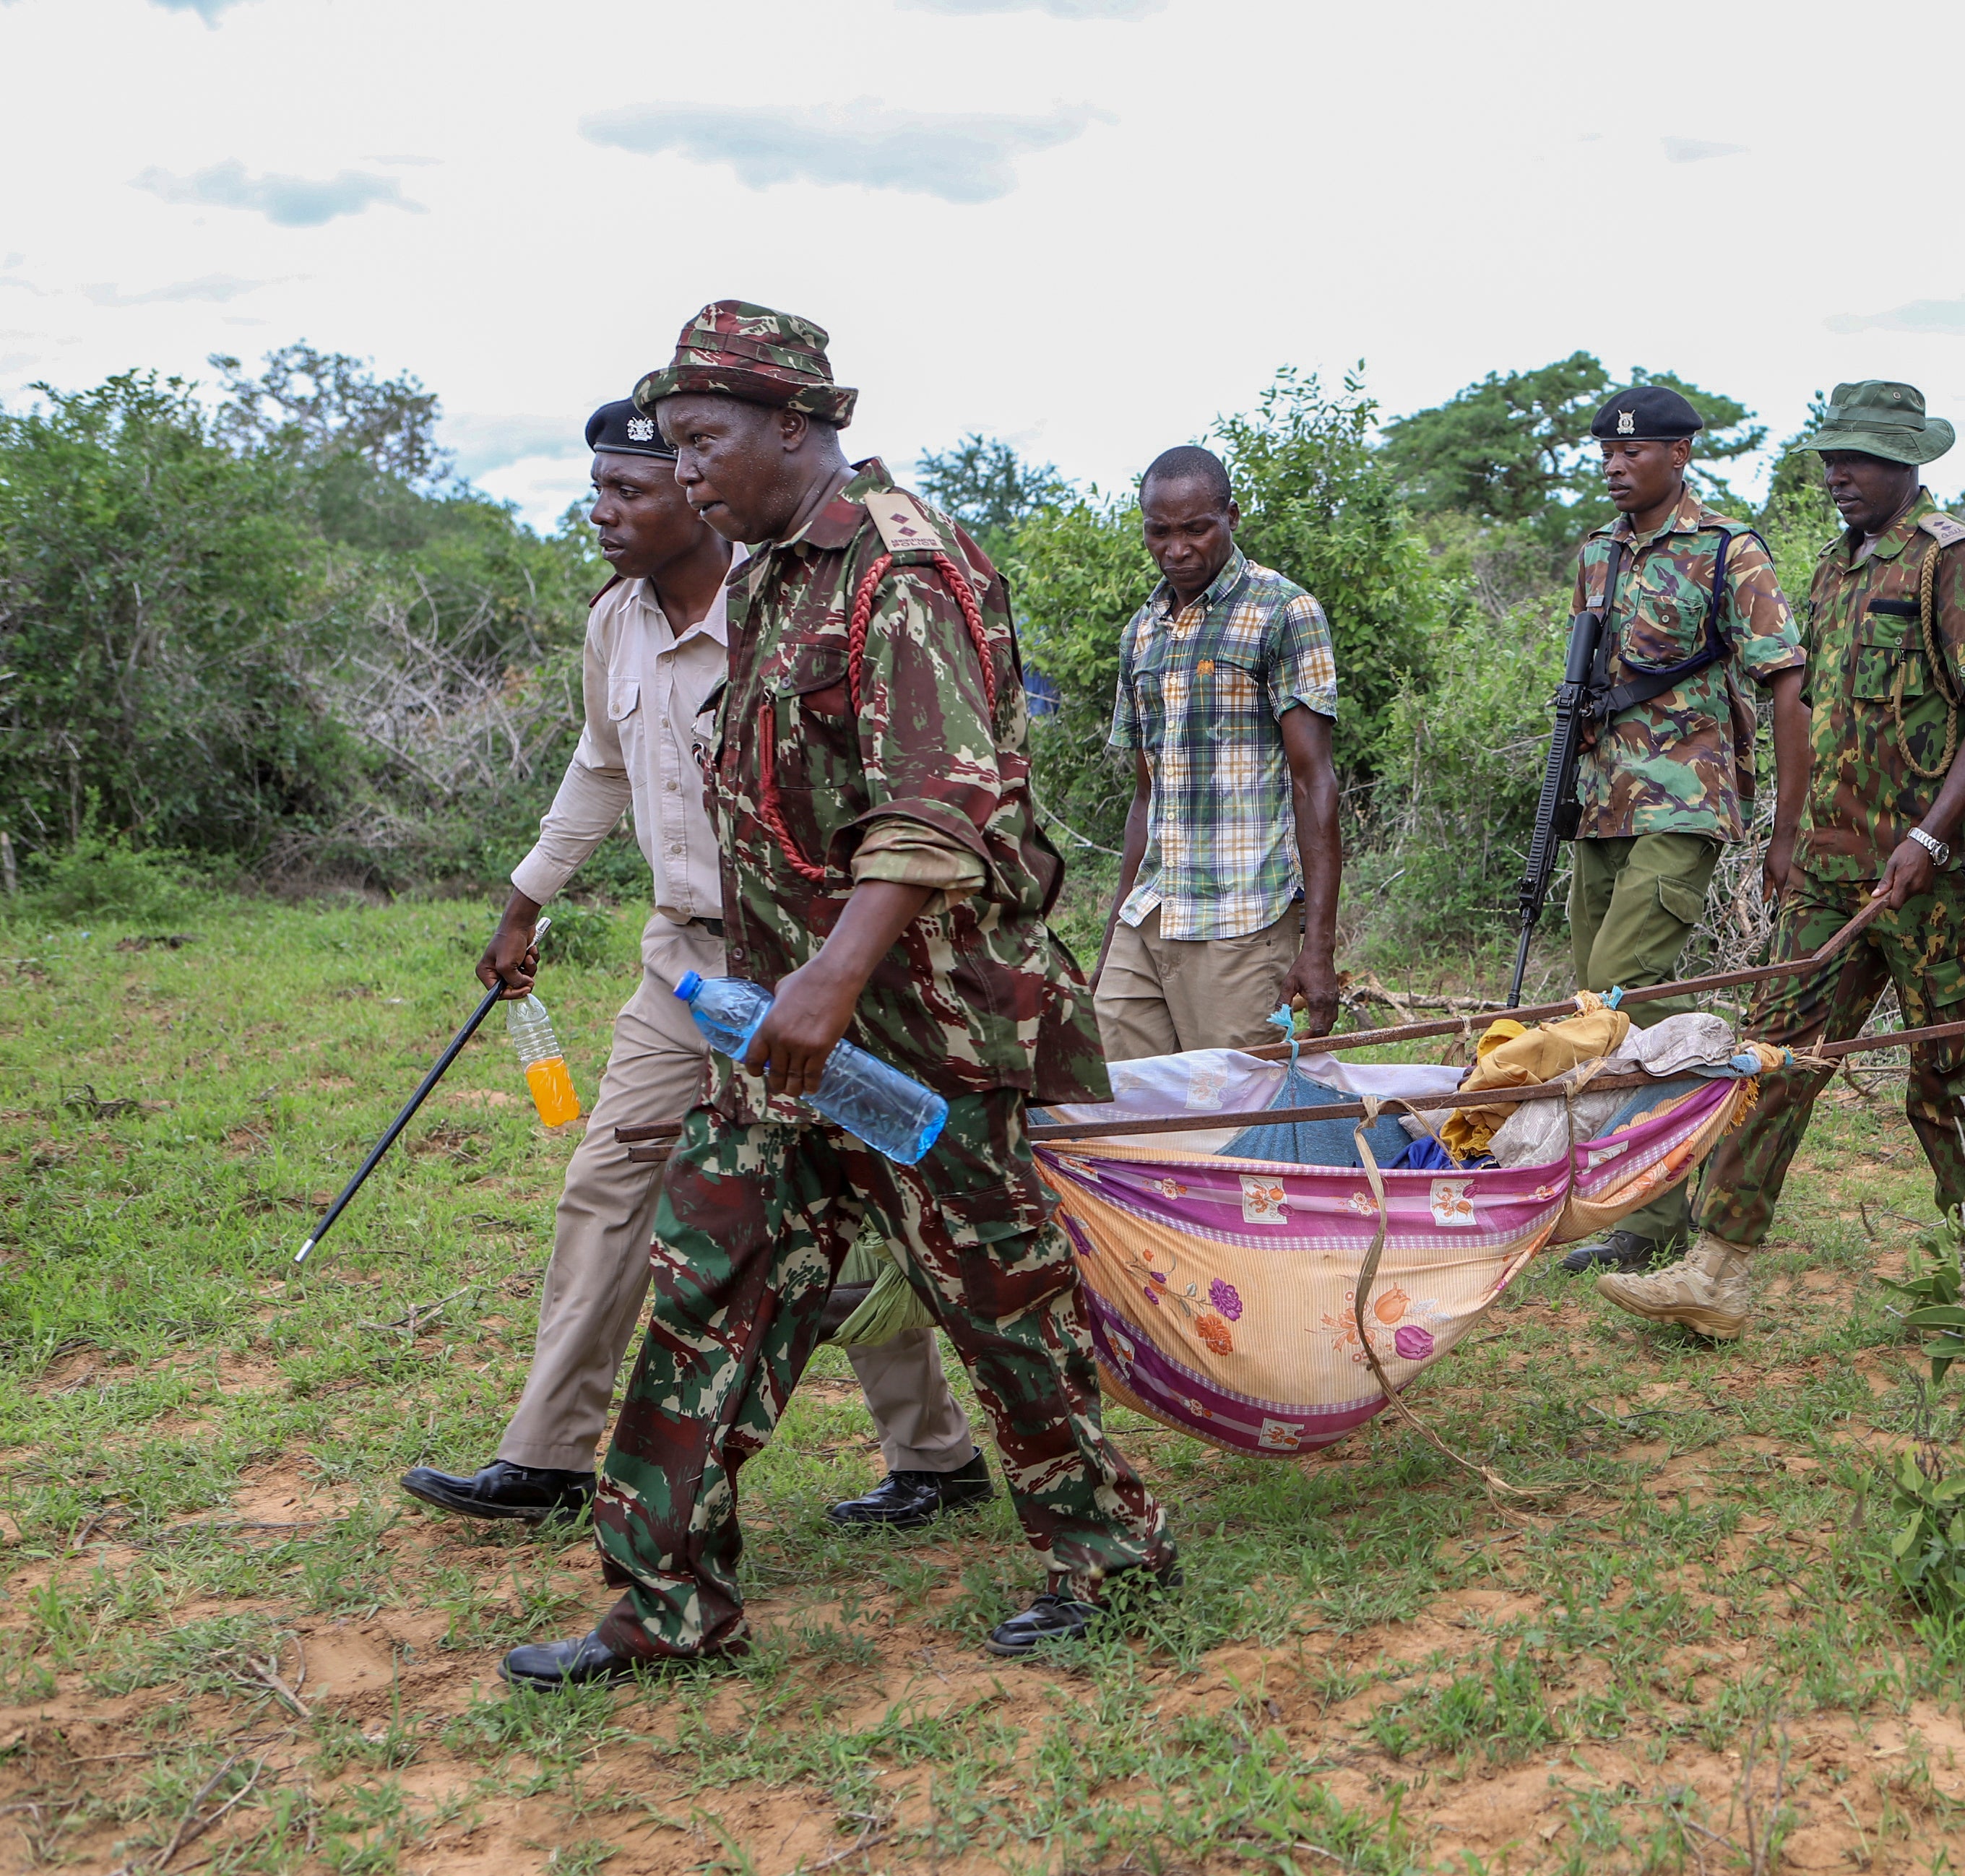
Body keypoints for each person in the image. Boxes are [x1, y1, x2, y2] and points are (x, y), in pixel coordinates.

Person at [498, 303, 1172, 1690]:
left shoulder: (901, 571)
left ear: (792, 429)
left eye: (703, 443)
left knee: (1001, 1305)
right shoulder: (765, 581)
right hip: (786, 1034)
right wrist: (774, 994)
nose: (685, 475)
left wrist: (825, 981)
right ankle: (664, 1605)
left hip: (927, 1033)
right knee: (709, 1281)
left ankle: (1109, 1554)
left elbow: (941, 809)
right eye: (673, 447)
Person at [398, 401, 992, 1536]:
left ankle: (934, 1456)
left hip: (816, 964)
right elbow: (596, 765)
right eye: (598, 490)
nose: (603, 512)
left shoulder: (792, 605)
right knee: (610, 1182)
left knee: (853, 1202)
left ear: (689, 485)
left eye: (629, 490)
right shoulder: (614, 623)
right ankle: (548, 1456)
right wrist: (525, 902)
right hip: (681, 965)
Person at [1594, 381, 1965, 1337]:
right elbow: (1812, 714)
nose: (1841, 474)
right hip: (1833, 867)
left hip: (1932, 875)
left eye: (1861, 458)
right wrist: (1787, 837)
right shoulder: (1830, 570)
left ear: (1909, 463)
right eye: (1832, 456)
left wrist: (1928, 836)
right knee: (1774, 1059)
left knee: (1946, 1077)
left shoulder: (1951, 563)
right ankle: (1714, 1271)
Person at [1551, 384, 1808, 1277]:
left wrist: (1785, 826)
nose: (1617, 466)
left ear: (1680, 454)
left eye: (1636, 452)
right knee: (1599, 998)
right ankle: (1645, 1197)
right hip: (1601, 801)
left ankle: (1692, 1129)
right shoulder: (1596, 553)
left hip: (1685, 799)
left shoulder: (1727, 551)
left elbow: (1787, 682)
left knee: (1621, 984)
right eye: (1607, 454)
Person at [1094, 446, 1342, 1057]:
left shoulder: (1283, 611)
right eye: (1159, 532)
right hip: (1150, 913)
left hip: (1242, 918)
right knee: (1120, 1103)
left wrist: (1319, 947)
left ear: (1231, 516)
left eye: (1195, 529)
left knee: (1235, 1117)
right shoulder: (1142, 631)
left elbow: (1316, 785)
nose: (1176, 549)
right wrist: (1112, 933)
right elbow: (1145, 796)